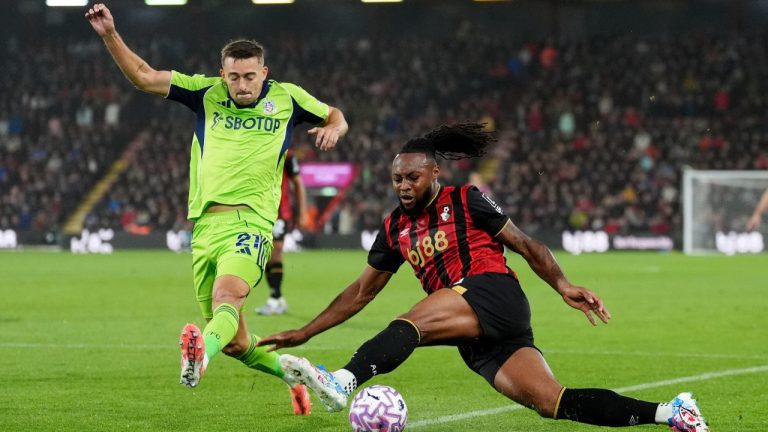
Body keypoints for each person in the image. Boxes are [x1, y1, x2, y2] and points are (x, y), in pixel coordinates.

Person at [258, 123, 709, 431]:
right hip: (475, 332)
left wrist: (564, 285)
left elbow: (528, 244)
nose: (404, 186)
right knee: (552, 401)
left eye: (413, 176)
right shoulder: (394, 228)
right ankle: (672, 412)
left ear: (435, 172)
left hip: (494, 293)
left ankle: (343, 381)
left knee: (411, 322)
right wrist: (305, 330)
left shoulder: (465, 198)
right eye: (397, 179)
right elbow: (359, 292)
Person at [85, 3, 348, 415]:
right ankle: (297, 375)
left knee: (229, 297)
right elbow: (143, 76)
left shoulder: (288, 97)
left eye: (250, 76)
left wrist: (334, 126)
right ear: (222, 74)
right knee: (238, 343)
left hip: (252, 223)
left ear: (264, 73)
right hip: (204, 228)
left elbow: (335, 115)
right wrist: (109, 35)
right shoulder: (205, 93)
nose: (242, 85)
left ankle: (197, 358)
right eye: (234, 77)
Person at [256, 149, 307, 315]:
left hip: (280, 212)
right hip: (259, 211)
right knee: (265, 255)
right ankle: (278, 299)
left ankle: (274, 298)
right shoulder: (254, 151)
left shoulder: (287, 154)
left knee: (276, 251)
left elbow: (298, 183)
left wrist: (302, 212)